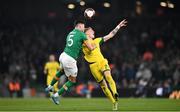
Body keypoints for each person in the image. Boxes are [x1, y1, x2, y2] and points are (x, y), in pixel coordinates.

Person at [45, 20, 95, 105]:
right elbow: (90, 48)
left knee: (61, 71)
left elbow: (75, 46)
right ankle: (56, 95)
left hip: (63, 55)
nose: (83, 28)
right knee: (72, 80)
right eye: (83, 27)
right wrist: (94, 46)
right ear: (79, 26)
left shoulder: (70, 33)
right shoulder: (82, 34)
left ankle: (50, 86)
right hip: (70, 59)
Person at [82, 19, 127, 110]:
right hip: (93, 66)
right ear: (86, 34)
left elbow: (111, 35)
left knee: (108, 76)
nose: (93, 31)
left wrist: (118, 26)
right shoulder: (82, 43)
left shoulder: (97, 40)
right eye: (91, 31)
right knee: (103, 86)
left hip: (102, 62)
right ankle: (114, 102)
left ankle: (115, 93)